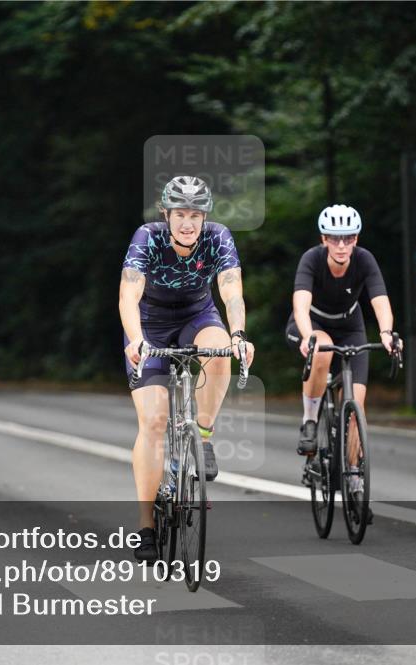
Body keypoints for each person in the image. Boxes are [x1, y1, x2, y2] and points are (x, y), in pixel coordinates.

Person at [120, 175, 254, 562]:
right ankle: (146, 525)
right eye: (180, 214)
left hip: (198, 314)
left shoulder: (218, 237)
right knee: (155, 421)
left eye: (195, 214)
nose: (188, 223)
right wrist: (135, 338)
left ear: (204, 216)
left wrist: (240, 334)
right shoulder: (148, 237)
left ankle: (204, 435)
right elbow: (129, 292)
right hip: (151, 324)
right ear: (166, 214)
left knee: (220, 347)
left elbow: (231, 290)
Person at [285, 205, 400, 495]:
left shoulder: (364, 260)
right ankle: (310, 421)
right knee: (322, 348)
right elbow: (300, 303)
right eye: (334, 238)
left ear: (356, 239)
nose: (341, 245)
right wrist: (308, 335)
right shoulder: (312, 259)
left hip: (350, 327)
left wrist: (387, 333)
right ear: (323, 239)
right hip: (313, 322)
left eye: (347, 238)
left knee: (355, 409)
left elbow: (380, 300)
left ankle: (353, 478)